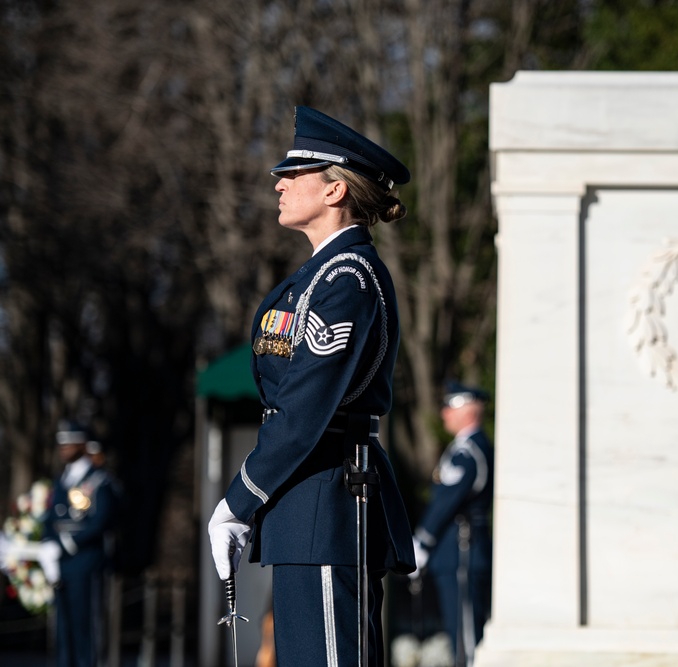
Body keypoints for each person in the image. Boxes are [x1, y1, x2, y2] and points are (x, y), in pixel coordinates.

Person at [207, 106, 416, 667]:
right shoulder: (319, 277)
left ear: (333, 190)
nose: (279, 183)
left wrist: (240, 500)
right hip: (307, 502)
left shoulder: (347, 279)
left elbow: (304, 408)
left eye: (294, 174)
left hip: (329, 493)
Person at [411, 382, 494, 667]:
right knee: (459, 631)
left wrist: (422, 541)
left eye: (450, 407)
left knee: (466, 637)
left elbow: (445, 503)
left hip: (462, 550)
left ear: (467, 411)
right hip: (457, 552)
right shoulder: (465, 448)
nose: (444, 413)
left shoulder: (468, 452)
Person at [43, 419, 117, 667]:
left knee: (86, 630)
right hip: (61, 567)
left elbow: (101, 520)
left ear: (83, 444)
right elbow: (51, 518)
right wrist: (47, 543)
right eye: (61, 443)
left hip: (86, 563)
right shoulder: (61, 480)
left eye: (70, 442)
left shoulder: (97, 480)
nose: (64, 448)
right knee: (64, 633)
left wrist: (64, 544)